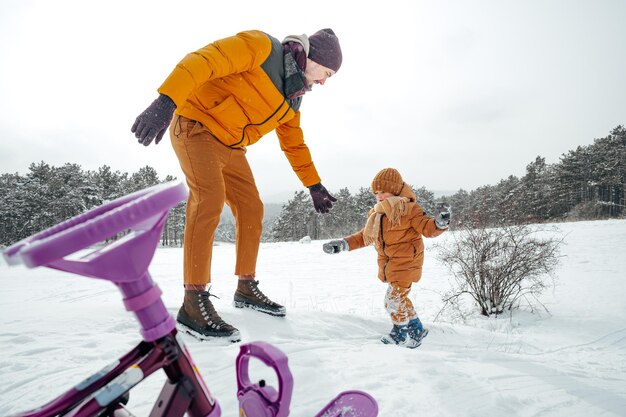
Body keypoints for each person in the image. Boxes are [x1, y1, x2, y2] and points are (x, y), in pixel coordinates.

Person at [131, 29, 342, 342]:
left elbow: (294, 145)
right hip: (195, 125)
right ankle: (194, 300)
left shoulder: (292, 99)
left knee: (251, 208)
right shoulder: (262, 48)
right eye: (326, 73)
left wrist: (314, 184)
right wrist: (167, 100)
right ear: (312, 58)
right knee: (209, 199)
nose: (324, 82)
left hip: (230, 147)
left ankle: (246, 287)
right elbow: (204, 61)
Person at [322, 168, 450, 348]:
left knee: (393, 300)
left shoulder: (409, 209)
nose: (379, 196)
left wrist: (439, 224)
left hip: (407, 264)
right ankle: (416, 329)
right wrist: (343, 243)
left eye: (384, 191)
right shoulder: (378, 214)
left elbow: (427, 227)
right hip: (392, 265)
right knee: (400, 298)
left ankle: (400, 334)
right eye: (376, 192)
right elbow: (365, 236)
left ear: (396, 190)